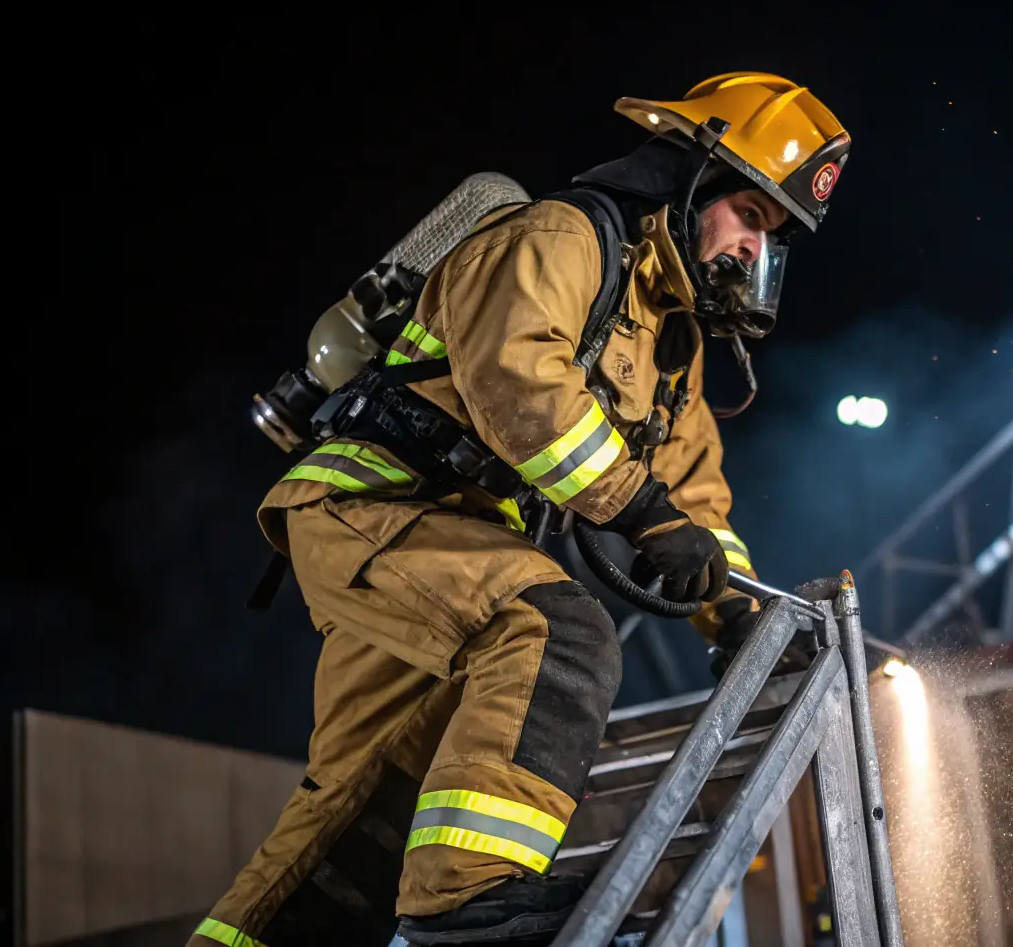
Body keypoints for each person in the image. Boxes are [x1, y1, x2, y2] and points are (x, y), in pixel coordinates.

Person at [189, 72, 850, 947]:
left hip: (450, 546)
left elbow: (693, 500)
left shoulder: (672, 341)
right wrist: (635, 507)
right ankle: (468, 906)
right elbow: (516, 379)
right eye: (752, 218)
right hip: (374, 506)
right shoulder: (559, 236)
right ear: (690, 180)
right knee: (554, 631)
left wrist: (736, 618)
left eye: (773, 240)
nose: (753, 254)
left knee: (360, 804)